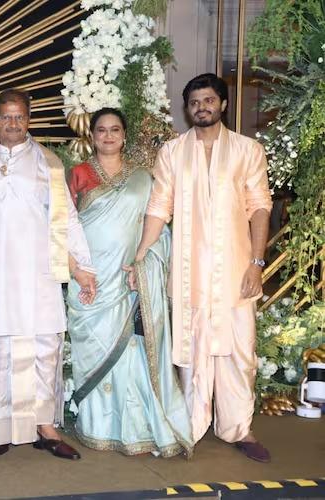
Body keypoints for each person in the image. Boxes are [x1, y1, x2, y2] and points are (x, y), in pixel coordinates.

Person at [130, 74, 273, 462]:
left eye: (209, 100)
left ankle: (238, 428)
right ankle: (189, 427)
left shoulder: (247, 150)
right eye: (194, 102)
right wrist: (141, 255)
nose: (201, 108)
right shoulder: (173, 152)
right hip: (190, 273)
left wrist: (257, 263)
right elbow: (159, 206)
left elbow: (260, 207)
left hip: (236, 272)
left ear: (223, 104)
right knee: (192, 350)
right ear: (187, 108)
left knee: (239, 352)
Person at [0, 89, 95, 459]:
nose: (13, 124)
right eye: (6, 117)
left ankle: (45, 427)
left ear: (29, 120)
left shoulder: (48, 163)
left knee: (44, 348)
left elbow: (66, 218)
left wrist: (81, 266)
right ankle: (0, 426)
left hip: (39, 270)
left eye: (19, 117)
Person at [69, 108, 193, 457]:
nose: (108, 136)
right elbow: (62, 228)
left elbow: (159, 231)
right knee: (96, 350)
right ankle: (97, 426)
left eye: (115, 130)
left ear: (124, 136)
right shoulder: (77, 175)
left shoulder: (143, 178)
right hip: (89, 281)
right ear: (92, 136)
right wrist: (75, 269)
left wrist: (143, 264)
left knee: (132, 355)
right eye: (101, 130)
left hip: (128, 279)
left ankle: (135, 428)